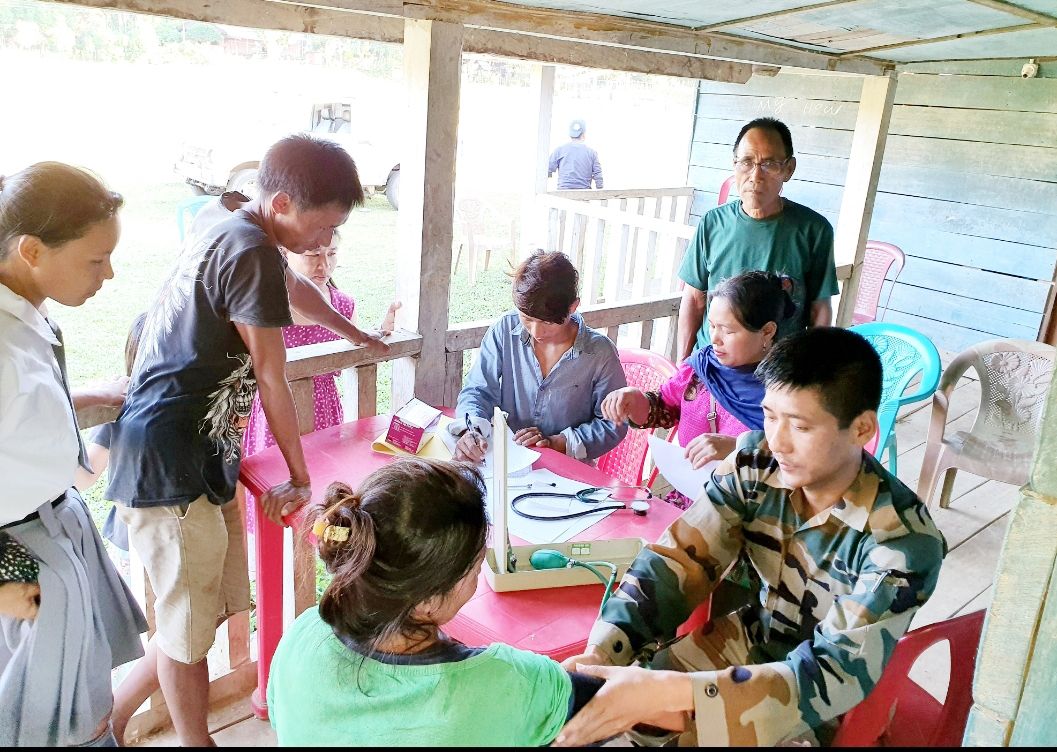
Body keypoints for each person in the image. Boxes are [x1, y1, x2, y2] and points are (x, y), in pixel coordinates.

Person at [105, 135, 385, 746]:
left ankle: (108, 720)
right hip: (171, 460)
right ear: (282, 203)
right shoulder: (251, 249)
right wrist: (302, 477)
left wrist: (355, 332)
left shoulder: (232, 224)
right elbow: (271, 375)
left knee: (190, 618)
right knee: (185, 632)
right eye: (322, 227)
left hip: (186, 455)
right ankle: (195, 741)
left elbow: (298, 292)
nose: (325, 243)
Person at [554, 327, 947, 747]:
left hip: (828, 699)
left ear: (862, 429)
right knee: (611, 708)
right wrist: (604, 650)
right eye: (770, 416)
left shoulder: (901, 541)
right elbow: (677, 561)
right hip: (752, 639)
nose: (777, 441)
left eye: (800, 426)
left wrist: (673, 694)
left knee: (661, 715)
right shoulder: (754, 464)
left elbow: (835, 671)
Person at [268, 458, 605, 746]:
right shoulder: (503, 683)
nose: (478, 573)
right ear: (428, 600)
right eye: (474, 566)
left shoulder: (301, 635)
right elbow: (602, 708)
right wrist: (591, 666)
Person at [0, 162, 147, 746]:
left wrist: (87, 397)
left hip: (53, 534)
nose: (109, 274)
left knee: (81, 710)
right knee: (54, 727)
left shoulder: (25, 317)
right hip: (19, 561)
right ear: (32, 250)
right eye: (95, 260)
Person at [601, 271, 795, 509]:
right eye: (712, 326)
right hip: (687, 502)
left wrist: (737, 448)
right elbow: (664, 406)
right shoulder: (703, 366)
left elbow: (798, 460)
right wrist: (634, 399)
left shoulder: (789, 390)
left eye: (728, 330)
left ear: (767, 331)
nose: (715, 338)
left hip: (747, 518)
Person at [676, 117, 839, 361]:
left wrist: (812, 373)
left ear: (788, 169)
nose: (756, 176)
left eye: (769, 164)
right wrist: (683, 364)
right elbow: (694, 300)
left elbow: (820, 309)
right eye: (746, 162)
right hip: (712, 365)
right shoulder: (712, 224)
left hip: (777, 373)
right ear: (735, 165)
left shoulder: (813, 230)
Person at [452, 250, 627, 464]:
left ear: (573, 307)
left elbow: (612, 426)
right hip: (509, 462)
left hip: (568, 470)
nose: (536, 332)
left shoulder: (600, 354)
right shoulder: (505, 330)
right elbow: (478, 389)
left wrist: (557, 443)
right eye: (527, 319)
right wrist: (471, 431)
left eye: (547, 323)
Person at [242, 231, 401, 456]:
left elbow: (352, 353)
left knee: (323, 476)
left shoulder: (344, 307)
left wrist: (383, 330)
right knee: (276, 478)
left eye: (332, 254)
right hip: (272, 412)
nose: (324, 265)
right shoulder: (262, 306)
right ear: (283, 253)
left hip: (324, 411)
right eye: (313, 255)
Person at [547, 119, 604, 190]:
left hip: (563, 193)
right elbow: (598, 174)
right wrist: (600, 189)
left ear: (570, 134)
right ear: (583, 134)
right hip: (584, 193)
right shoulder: (592, 153)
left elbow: (547, 169)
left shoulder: (559, 150)